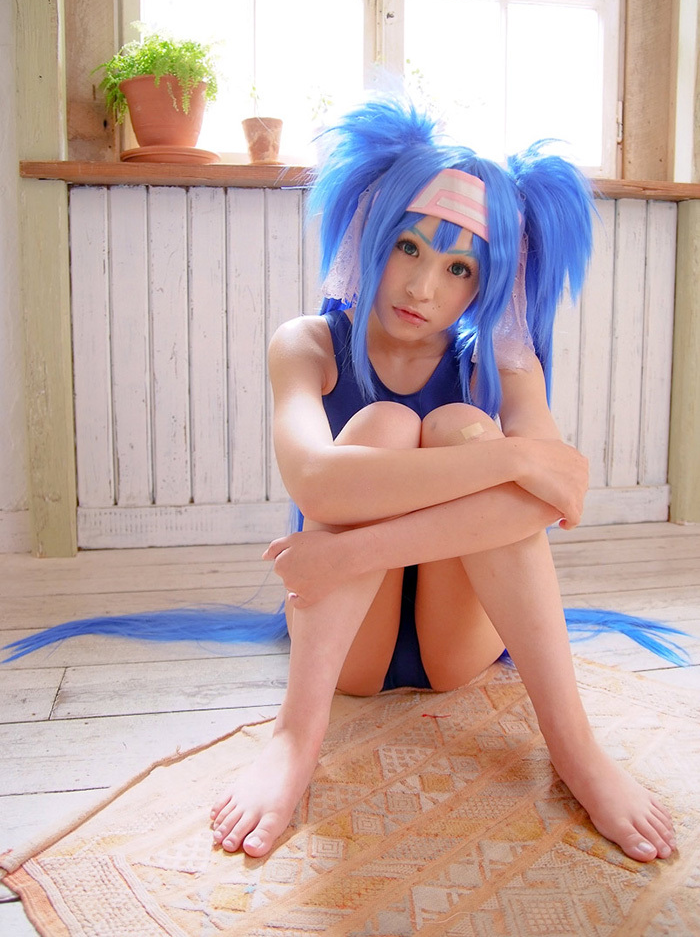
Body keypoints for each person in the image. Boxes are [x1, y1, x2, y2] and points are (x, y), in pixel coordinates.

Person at [209, 96, 678, 863]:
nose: (423, 287)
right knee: (386, 425)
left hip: (452, 644)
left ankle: (576, 748)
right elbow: (319, 484)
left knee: (461, 422)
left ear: (487, 284)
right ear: (372, 234)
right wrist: (514, 458)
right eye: (409, 247)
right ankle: (295, 738)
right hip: (346, 648)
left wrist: (348, 551)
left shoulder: (503, 359)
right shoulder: (307, 344)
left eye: (459, 268)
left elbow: (553, 501)